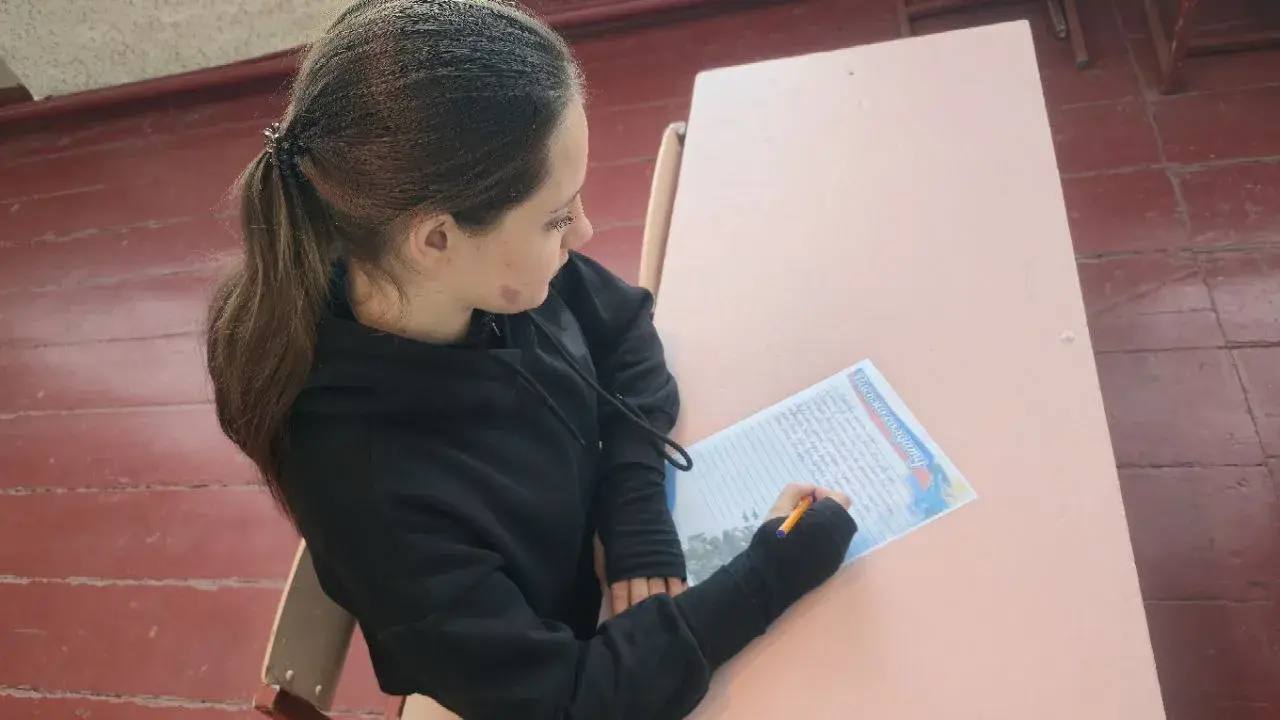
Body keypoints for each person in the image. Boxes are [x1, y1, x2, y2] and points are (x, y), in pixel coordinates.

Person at [205, 1, 856, 717]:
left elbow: (625, 331)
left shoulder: (483, 277)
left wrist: (632, 508)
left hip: (600, 593)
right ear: (437, 238)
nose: (584, 232)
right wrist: (767, 576)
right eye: (556, 217)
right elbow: (566, 701)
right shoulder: (376, 500)